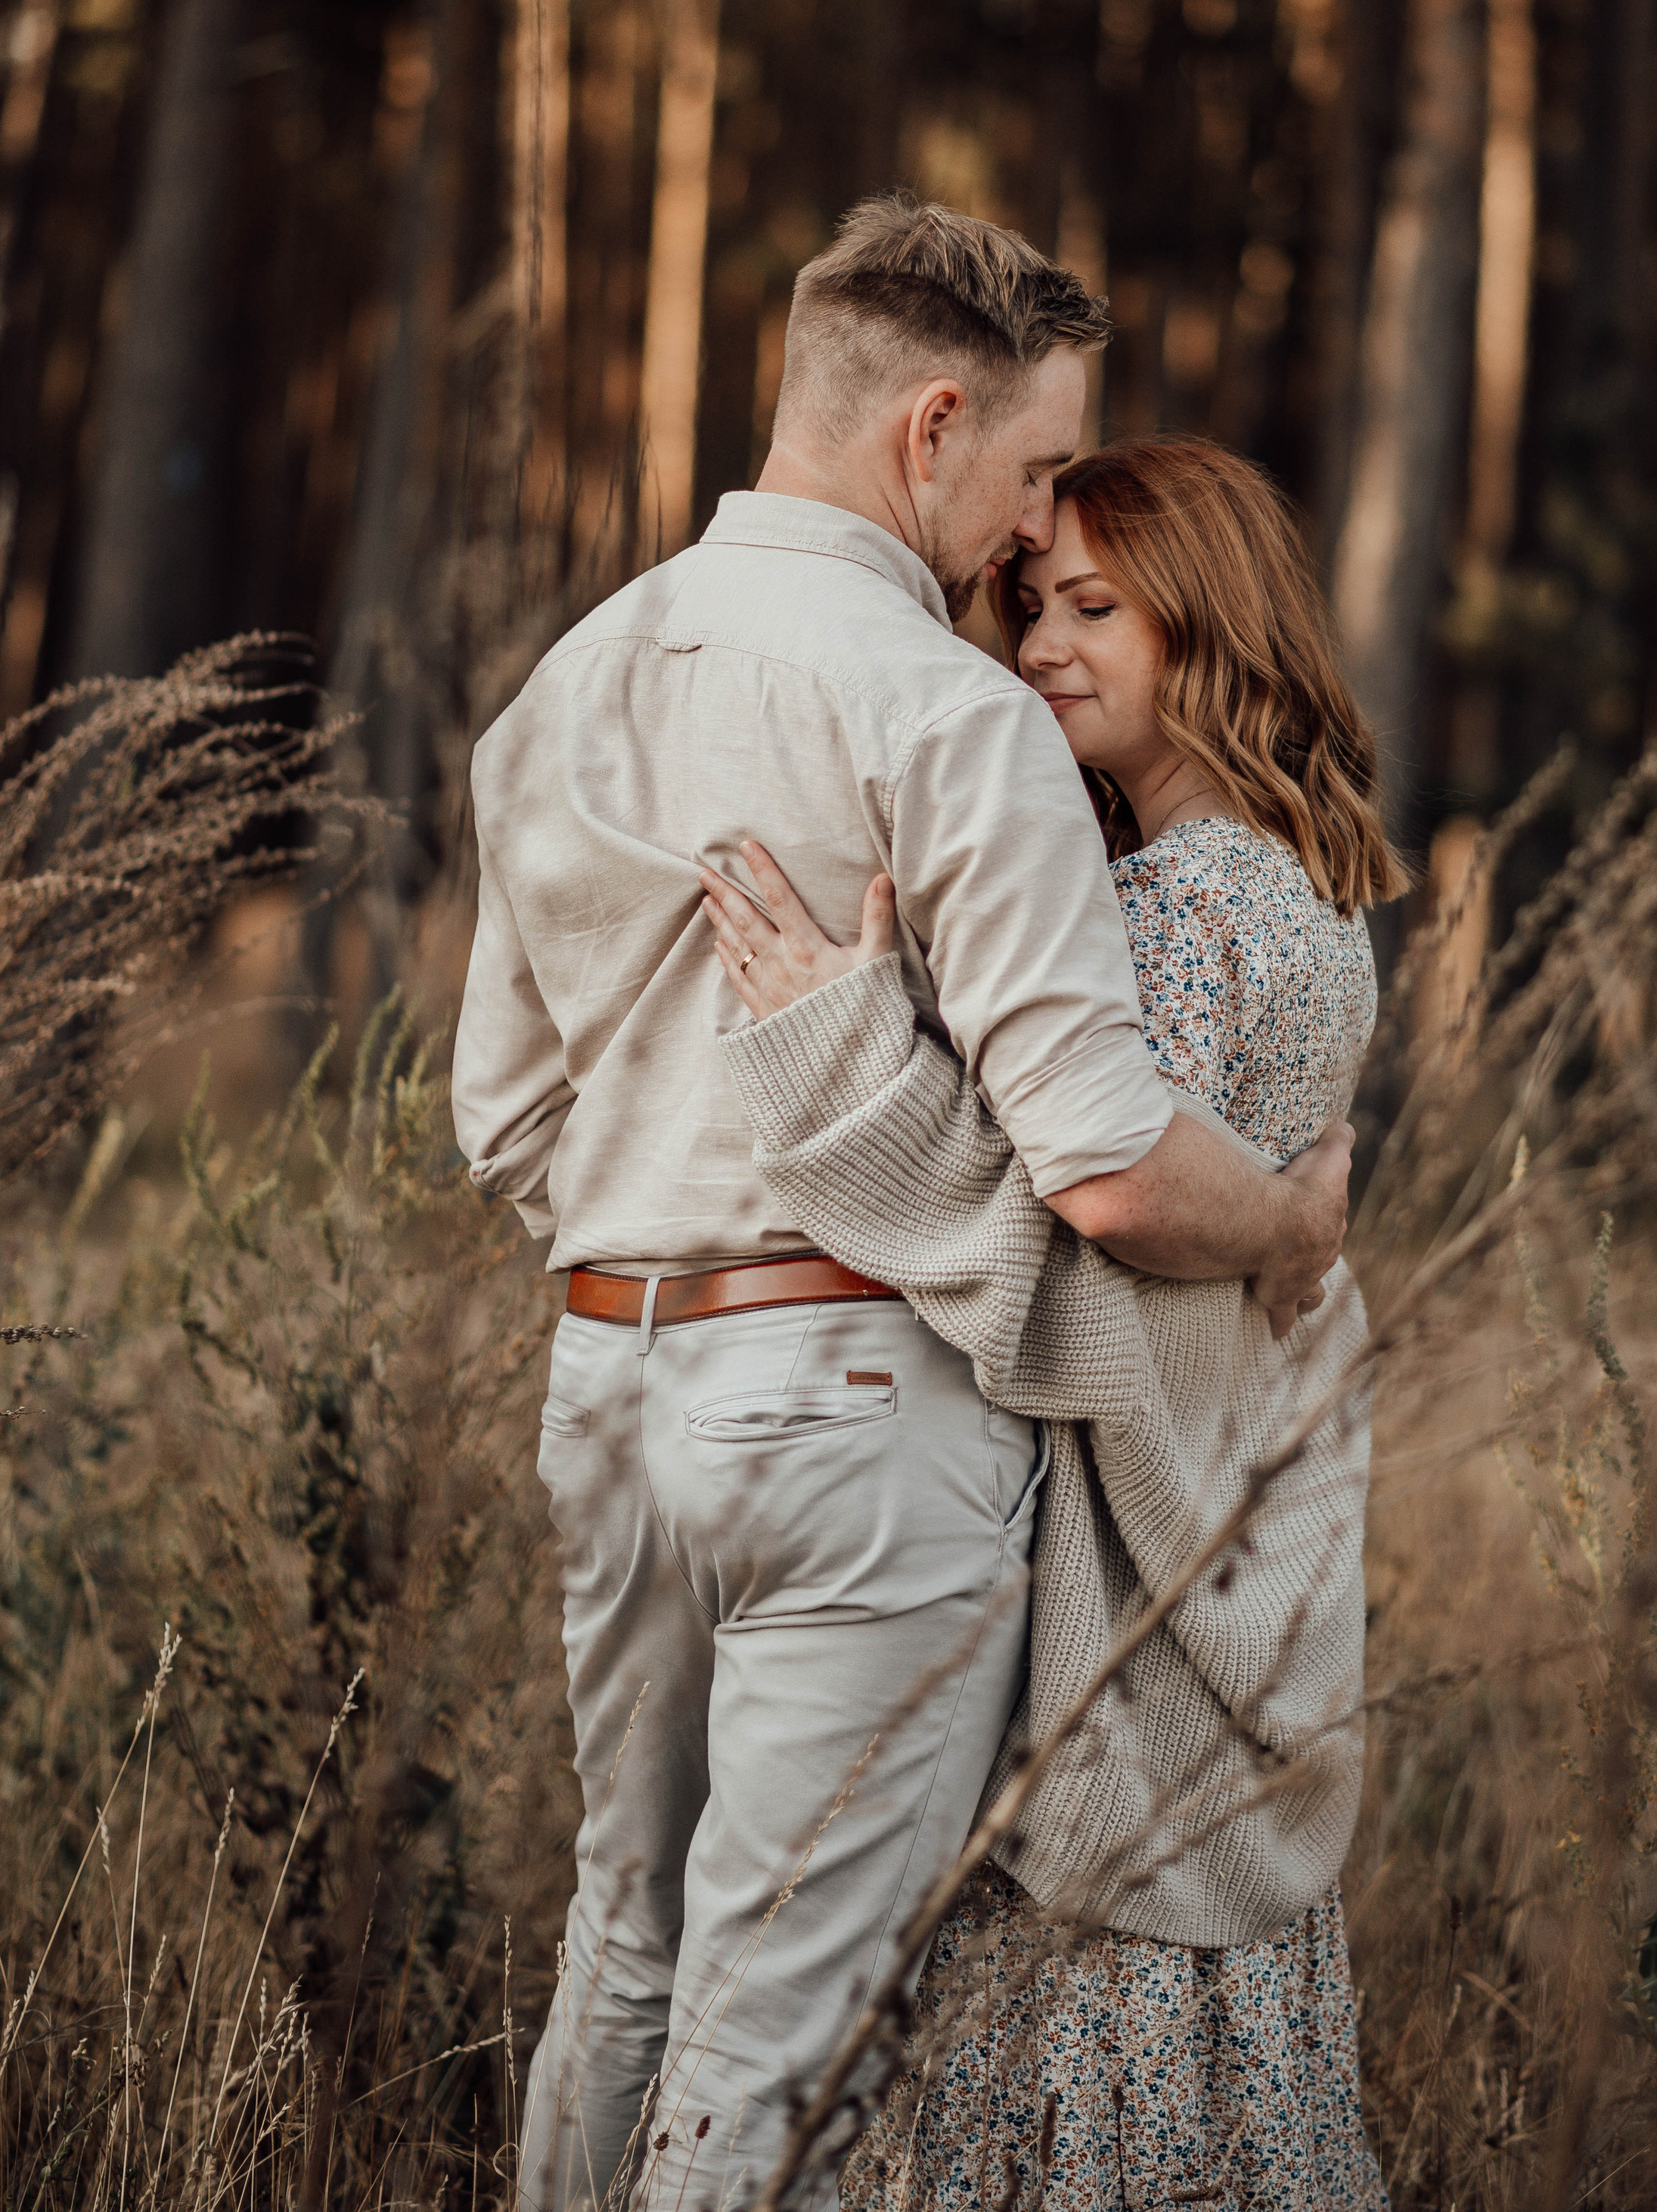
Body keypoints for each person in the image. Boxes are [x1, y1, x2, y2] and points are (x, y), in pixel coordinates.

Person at [450, 201, 1354, 2212]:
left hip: (608, 1381)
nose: (1028, 533)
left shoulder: (562, 690)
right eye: (1035, 471)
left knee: (621, 1952)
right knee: (776, 2029)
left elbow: (498, 1123)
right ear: (931, 426)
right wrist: (1294, 1231)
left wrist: (670, 1203)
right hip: (857, 1412)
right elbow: (1107, 1160)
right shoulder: (944, 714)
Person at [699, 435, 1404, 2212]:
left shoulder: (1167, 912)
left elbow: (1083, 1234)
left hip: (1136, 1593)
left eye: (1093, 608)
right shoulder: (1309, 889)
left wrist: (849, 1056)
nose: (1036, 647)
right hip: (1232, 1549)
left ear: (1208, 623)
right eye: (1029, 607)